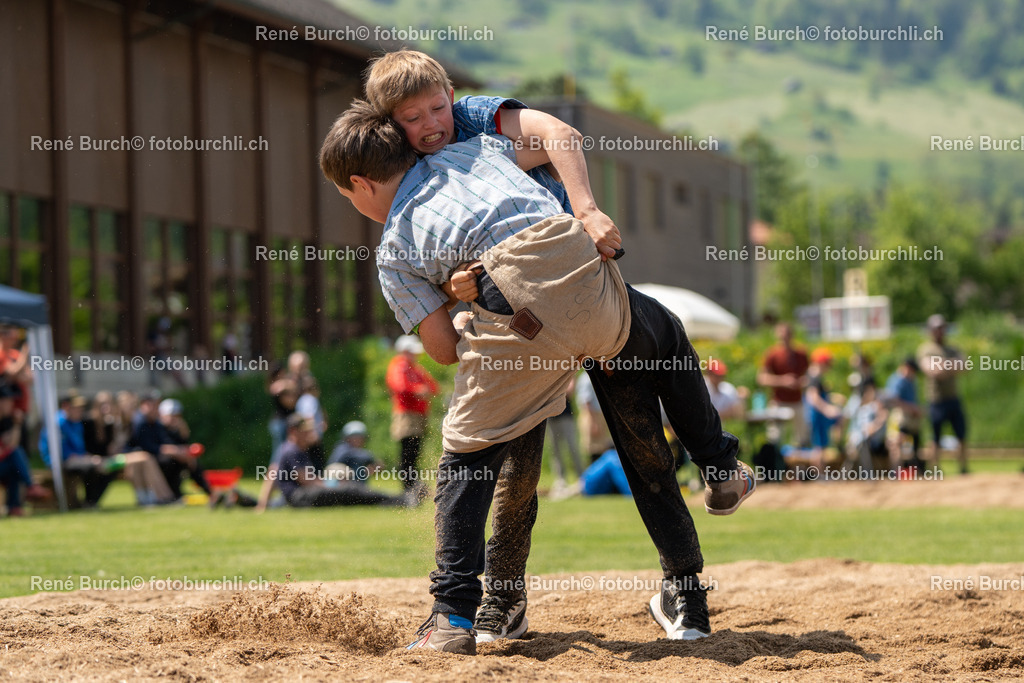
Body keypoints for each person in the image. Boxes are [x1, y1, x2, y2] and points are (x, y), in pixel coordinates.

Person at [320, 99, 751, 654]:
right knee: (664, 340)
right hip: (583, 281)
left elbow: (444, 351)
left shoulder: (393, 247)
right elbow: (557, 134)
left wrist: (461, 311)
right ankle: (719, 469)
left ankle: (453, 615)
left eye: (349, 198)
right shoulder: (478, 146)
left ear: (360, 183)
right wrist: (586, 209)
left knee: (468, 459)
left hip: (514, 318)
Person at [276, 415, 407, 508]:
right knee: (349, 489)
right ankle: (398, 500)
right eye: (305, 431)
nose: (309, 434)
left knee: (350, 490)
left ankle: (396, 500)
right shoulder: (292, 450)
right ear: (293, 431)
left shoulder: (294, 449)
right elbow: (307, 481)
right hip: (300, 497)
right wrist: (334, 484)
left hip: (303, 495)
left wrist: (334, 483)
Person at [84, 391, 174, 506]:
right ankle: (164, 496)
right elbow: (109, 448)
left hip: (118, 458)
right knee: (145, 457)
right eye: (128, 406)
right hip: (108, 461)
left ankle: (147, 499)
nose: (132, 410)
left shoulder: (129, 424)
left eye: (133, 406)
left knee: (139, 462)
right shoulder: (110, 422)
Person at [127, 396, 211, 500]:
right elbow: (153, 446)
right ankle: (174, 494)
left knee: (190, 461)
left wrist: (183, 435)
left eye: (177, 416)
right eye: (172, 415)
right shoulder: (152, 424)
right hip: (154, 459)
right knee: (171, 462)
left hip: (163, 458)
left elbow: (180, 444)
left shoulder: (174, 429)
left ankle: (209, 491)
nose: (175, 419)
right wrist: (176, 452)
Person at [917, 314, 969, 474]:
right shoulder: (926, 349)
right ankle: (935, 469)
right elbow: (932, 370)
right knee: (935, 437)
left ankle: (963, 468)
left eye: (942, 328)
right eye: (936, 328)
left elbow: (965, 366)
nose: (940, 331)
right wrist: (952, 365)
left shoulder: (952, 348)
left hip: (953, 398)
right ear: (930, 330)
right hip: (936, 400)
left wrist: (942, 365)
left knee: (961, 434)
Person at [386, 335, 438, 493]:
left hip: (418, 415)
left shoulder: (415, 368)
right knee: (407, 451)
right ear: (404, 351)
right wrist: (418, 390)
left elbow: (434, 387)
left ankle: (412, 485)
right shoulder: (399, 365)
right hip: (406, 415)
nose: (415, 355)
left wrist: (424, 390)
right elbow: (400, 386)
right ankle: (407, 487)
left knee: (414, 451)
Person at [0, 381, 50, 516]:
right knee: (15, 455)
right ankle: (30, 486)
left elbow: (12, 445)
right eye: (8, 401)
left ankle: (14, 507)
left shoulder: (7, 420)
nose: (12, 404)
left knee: (14, 467)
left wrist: (17, 424)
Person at [757, 323, 810, 447]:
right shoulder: (772, 354)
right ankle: (776, 459)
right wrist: (783, 381)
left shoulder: (801, 354)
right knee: (775, 438)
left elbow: (809, 375)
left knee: (803, 439)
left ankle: (798, 459)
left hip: (798, 401)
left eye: (787, 335)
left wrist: (802, 382)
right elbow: (762, 378)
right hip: (779, 401)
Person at [803, 348, 842, 471]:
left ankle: (821, 472)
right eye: (828, 364)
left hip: (819, 416)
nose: (829, 367)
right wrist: (827, 409)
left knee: (821, 445)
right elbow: (812, 397)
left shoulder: (815, 376)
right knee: (818, 447)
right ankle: (818, 473)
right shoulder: (814, 376)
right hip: (817, 415)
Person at [885, 357, 924, 471]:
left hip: (911, 418)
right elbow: (894, 400)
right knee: (896, 444)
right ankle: (896, 472)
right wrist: (911, 408)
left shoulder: (910, 381)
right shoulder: (897, 380)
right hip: (900, 417)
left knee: (915, 444)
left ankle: (915, 471)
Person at [550, 448, 631, 500]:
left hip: (586, 482)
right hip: (587, 484)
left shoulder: (612, 457)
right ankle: (564, 492)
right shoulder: (613, 460)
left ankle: (565, 492)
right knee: (611, 457)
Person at [844, 379, 889, 472]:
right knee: (860, 442)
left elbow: (879, 422)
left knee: (862, 443)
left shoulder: (874, 405)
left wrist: (875, 425)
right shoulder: (857, 403)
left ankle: (867, 473)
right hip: (860, 439)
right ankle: (866, 472)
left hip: (874, 441)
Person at [546, 380, 583, 491]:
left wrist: (552, 391)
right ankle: (560, 480)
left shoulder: (567, 371)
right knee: (555, 450)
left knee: (572, 447)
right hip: (550, 416)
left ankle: (582, 478)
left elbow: (569, 391)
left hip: (566, 415)